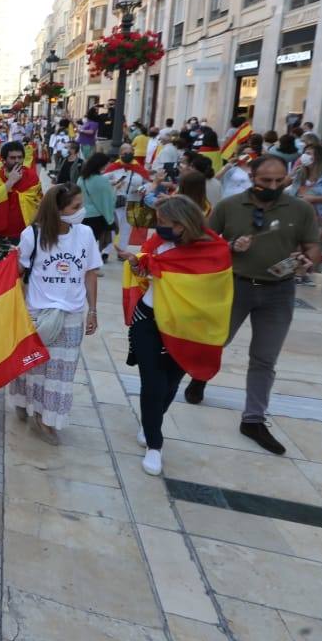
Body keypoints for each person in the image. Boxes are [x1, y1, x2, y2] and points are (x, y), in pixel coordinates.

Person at [185, 156, 320, 454]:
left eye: (279, 180)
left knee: (264, 358)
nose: (273, 186)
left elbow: (312, 245)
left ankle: (254, 418)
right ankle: (200, 376)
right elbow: (200, 243)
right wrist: (230, 246)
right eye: (265, 181)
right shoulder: (229, 207)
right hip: (234, 287)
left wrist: (308, 260)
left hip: (279, 292)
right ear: (252, 176)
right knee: (216, 341)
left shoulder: (299, 209)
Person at [122, 197, 231, 476]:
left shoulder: (213, 249)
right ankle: (155, 446)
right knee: (153, 383)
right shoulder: (158, 241)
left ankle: (150, 423)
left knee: (171, 383)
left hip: (186, 329)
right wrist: (138, 265)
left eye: (163, 223)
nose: (158, 227)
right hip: (149, 318)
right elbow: (146, 264)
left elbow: (216, 289)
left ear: (183, 225)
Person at [7, 184, 100, 444]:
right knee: (33, 366)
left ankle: (46, 419)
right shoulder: (33, 235)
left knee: (60, 373)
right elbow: (17, 273)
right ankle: (23, 402)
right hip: (38, 314)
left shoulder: (86, 234)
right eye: (75, 207)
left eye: (81, 205)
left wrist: (92, 310)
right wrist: (11, 262)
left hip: (71, 315)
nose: (81, 211)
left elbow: (91, 273)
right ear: (57, 210)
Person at [289, 144, 322, 284]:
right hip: (297, 216)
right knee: (295, 244)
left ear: (318, 157)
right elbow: (282, 186)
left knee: (312, 245)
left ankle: (302, 273)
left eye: (309, 153)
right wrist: (294, 171)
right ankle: (294, 271)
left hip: (320, 219)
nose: (305, 155)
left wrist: (314, 199)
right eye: (305, 152)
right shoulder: (300, 173)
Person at [0, 141, 42, 267]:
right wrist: (10, 183)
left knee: (23, 275)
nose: (17, 161)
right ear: (3, 160)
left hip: (25, 236)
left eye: (20, 157)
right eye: (12, 158)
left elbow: (39, 202)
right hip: (1, 237)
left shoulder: (32, 177)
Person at [106, 143, 150, 253]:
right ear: (120, 153)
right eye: (125, 153)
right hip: (116, 201)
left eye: (130, 153)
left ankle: (122, 251)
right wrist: (114, 183)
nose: (128, 155)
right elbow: (103, 181)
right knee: (112, 227)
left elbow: (148, 184)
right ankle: (106, 251)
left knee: (126, 228)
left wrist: (141, 189)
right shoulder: (113, 167)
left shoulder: (139, 168)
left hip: (133, 201)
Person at [77, 152, 115, 261]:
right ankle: (89, 266)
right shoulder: (102, 180)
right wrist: (110, 218)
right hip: (96, 217)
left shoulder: (81, 179)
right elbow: (108, 200)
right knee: (92, 243)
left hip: (81, 214)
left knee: (82, 243)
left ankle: (80, 262)